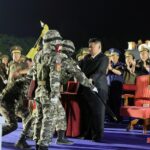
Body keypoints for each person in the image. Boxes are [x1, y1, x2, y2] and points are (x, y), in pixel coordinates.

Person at [0, 45, 31, 149]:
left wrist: (24, 70)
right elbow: (17, 73)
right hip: (7, 99)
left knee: (27, 115)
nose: (15, 55)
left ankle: (22, 139)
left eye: (17, 54)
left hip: (14, 99)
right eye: (13, 54)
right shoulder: (12, 64)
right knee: (13, 125)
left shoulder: (21, 65)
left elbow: (27, 71)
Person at [79, 38, 109, 142]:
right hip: (85, 89)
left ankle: (97, 135)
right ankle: (87, 133)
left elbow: (100, 72)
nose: (89, 48)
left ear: (99, 47)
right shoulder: (86, 58)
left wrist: (91, 79)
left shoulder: (104, 58)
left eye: (92, 46)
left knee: (98, 113)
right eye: (89, 46)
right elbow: (79, 69)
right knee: (86, 112)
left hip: (98, 89)